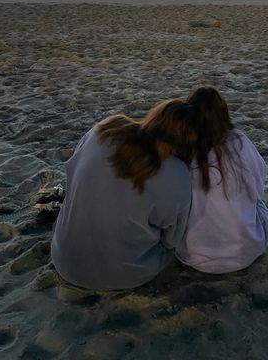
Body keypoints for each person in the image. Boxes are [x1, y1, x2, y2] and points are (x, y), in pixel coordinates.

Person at [51, 99, 198, 290]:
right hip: (129, 276)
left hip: (65, 261)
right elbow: (171, 240)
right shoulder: (178, 173)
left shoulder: (103, 130)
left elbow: (71, 178)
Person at [175, 87, 268, 273]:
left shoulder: (184, 149)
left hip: (195, 256)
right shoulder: (239, 142)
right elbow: (258, 188)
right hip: (246, 251)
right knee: (259, 206)